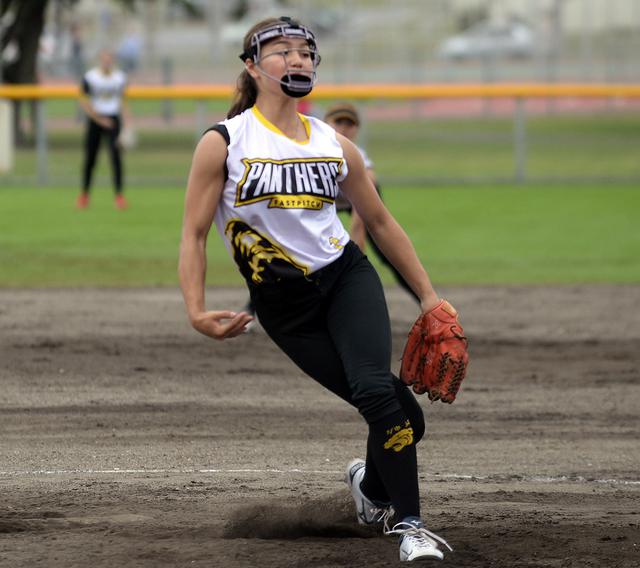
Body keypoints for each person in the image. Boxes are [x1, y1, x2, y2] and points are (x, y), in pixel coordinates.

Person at [178, 17, 454, 562]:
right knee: (405, 418)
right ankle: (371, 490)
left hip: (346, 279)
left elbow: (380, 222)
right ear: (252, 66)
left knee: (378, 393)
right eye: (283, 51)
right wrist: (195, 310)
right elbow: (193, 232)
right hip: (286, 310)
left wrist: (429, 296)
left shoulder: (335, 144)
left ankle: (411, 526)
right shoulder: (225, 142)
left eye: (306, 52)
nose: (299, 59)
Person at [323, 102, 418, 302]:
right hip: (324, 201)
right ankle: (251, 308)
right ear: (325, 123)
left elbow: (360, 224)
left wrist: (353, 269)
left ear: (357, 129)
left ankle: (428, 304)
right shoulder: (310, 155)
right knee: (293, 249)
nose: (344, 128)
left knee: (388, 253)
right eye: (338, 122)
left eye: (350, 123)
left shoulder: (359, 160)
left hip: (355, 200)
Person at [76, 49, 129, 210]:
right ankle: (84, 195)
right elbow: (84, 101)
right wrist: (99, 120)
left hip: (113, 121)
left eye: (109, 59)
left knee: (116, 159)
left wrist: (127, 125)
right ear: (100, 60)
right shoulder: (91, 77)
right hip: (96, 120)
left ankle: (119, 196)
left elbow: (123, 101)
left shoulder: (120, 78)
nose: (107, 62)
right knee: (90, 159)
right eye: (104, 59)